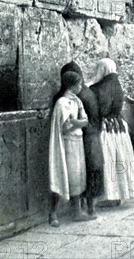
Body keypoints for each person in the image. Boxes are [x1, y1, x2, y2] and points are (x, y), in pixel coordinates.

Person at [89, 58, 134, 203]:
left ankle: (109, 196)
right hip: (118, 127)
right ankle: (120, 194)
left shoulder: (97, 88)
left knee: (109, 160)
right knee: (120, 159)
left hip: (105, 128)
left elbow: (98, 110)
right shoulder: (117, 85)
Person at [48, 71, 94, 226]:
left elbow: (85, 121)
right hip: (66, 143)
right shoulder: (62, 102)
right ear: (71, 85)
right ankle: (53, 213)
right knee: (63, 174)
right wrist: (76, 123)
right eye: (79, 84)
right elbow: (65, 127)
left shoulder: (77, 101)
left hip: (77, 141)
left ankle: (76, 211)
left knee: (77, 176)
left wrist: (77, 122)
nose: (81, 86)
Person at [60, 62, 103, 218]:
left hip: (83, 138)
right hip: (92, 136)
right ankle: (91, 208)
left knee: (79, 173)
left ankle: (79, 209)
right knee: (89, 173)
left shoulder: (74, 96)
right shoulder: (87, 92)